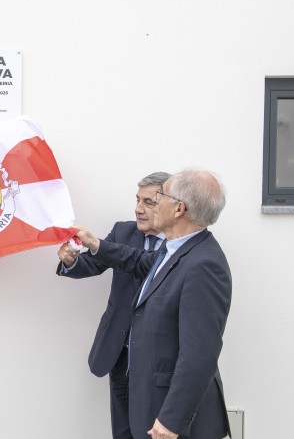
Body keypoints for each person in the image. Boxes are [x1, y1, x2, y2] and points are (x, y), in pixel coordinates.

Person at [75, 168, 231, 439]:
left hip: (169, 414)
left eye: (160, 197)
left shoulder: (203, 265)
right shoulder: (175, 249)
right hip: (146, 394)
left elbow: (199, 356)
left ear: (179, 208)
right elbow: (136, 261)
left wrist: (171, 421)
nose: (152, 204)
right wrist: (95, 244)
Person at [56, 171, 171, 439]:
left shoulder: (179, 243)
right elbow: (94, 264)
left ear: (171, 206)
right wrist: (72, 261)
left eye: (149, 203)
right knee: (123, 432)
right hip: (119, 354)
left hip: (156, 363)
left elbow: (146, 263)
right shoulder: (123, 231)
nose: (138, 209)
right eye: (137, 200)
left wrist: (98, 244)